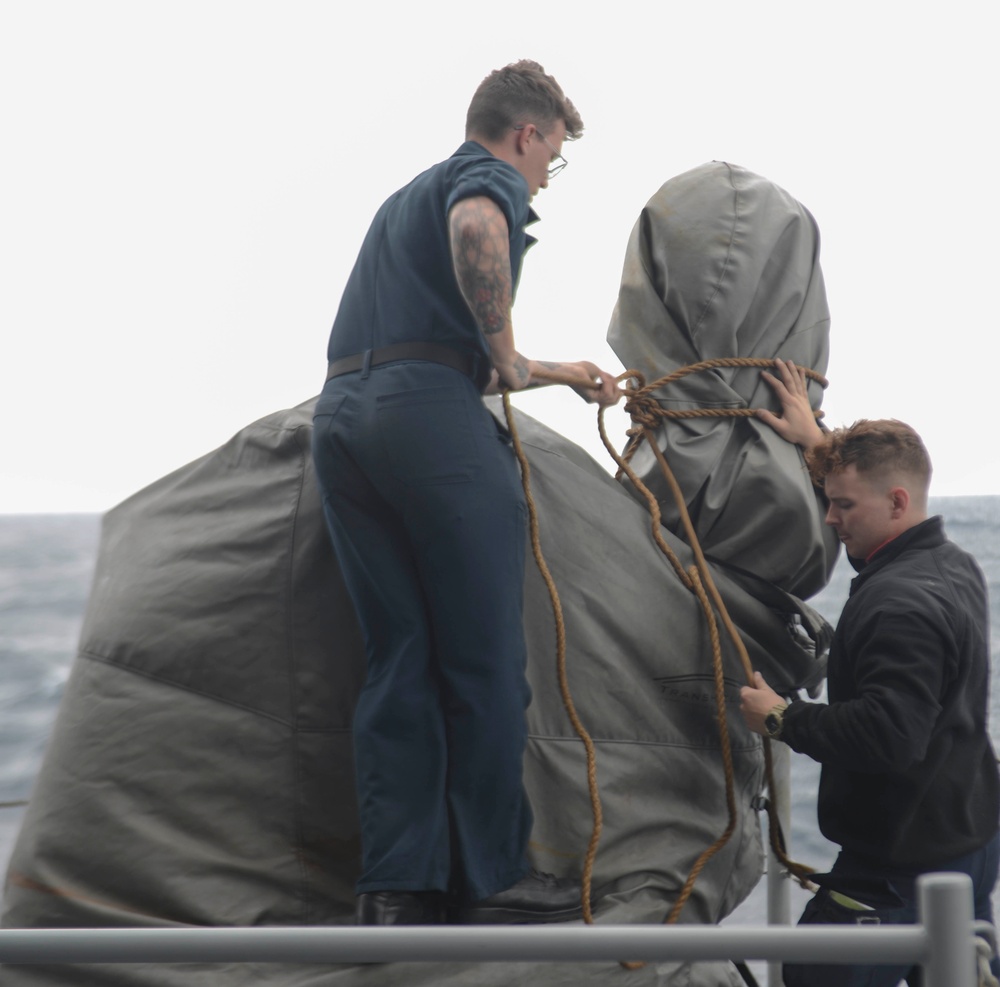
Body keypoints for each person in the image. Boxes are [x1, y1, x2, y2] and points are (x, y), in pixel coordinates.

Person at [311, 60, 621, 927]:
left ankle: (394, 887)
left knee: (399, 656)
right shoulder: (480, 181)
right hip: (427, 424)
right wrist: (513, 350)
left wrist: (555, 373)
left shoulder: (403, 196)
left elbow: (438, 344)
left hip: (343, 419)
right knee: (484, 659)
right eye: (549, 159)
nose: (541, 178)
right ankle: (491, 880)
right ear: (528, 134)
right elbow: (482, 226)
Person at [740, 359, 1000, 986]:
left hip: (900, 862)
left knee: (811, 974)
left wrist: (778, 716)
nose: (830, 519)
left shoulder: (898, 603)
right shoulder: (952, 562)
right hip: (967, 838)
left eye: (843, 506)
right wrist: (817, 442)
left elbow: (890, 735)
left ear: (897, 502)